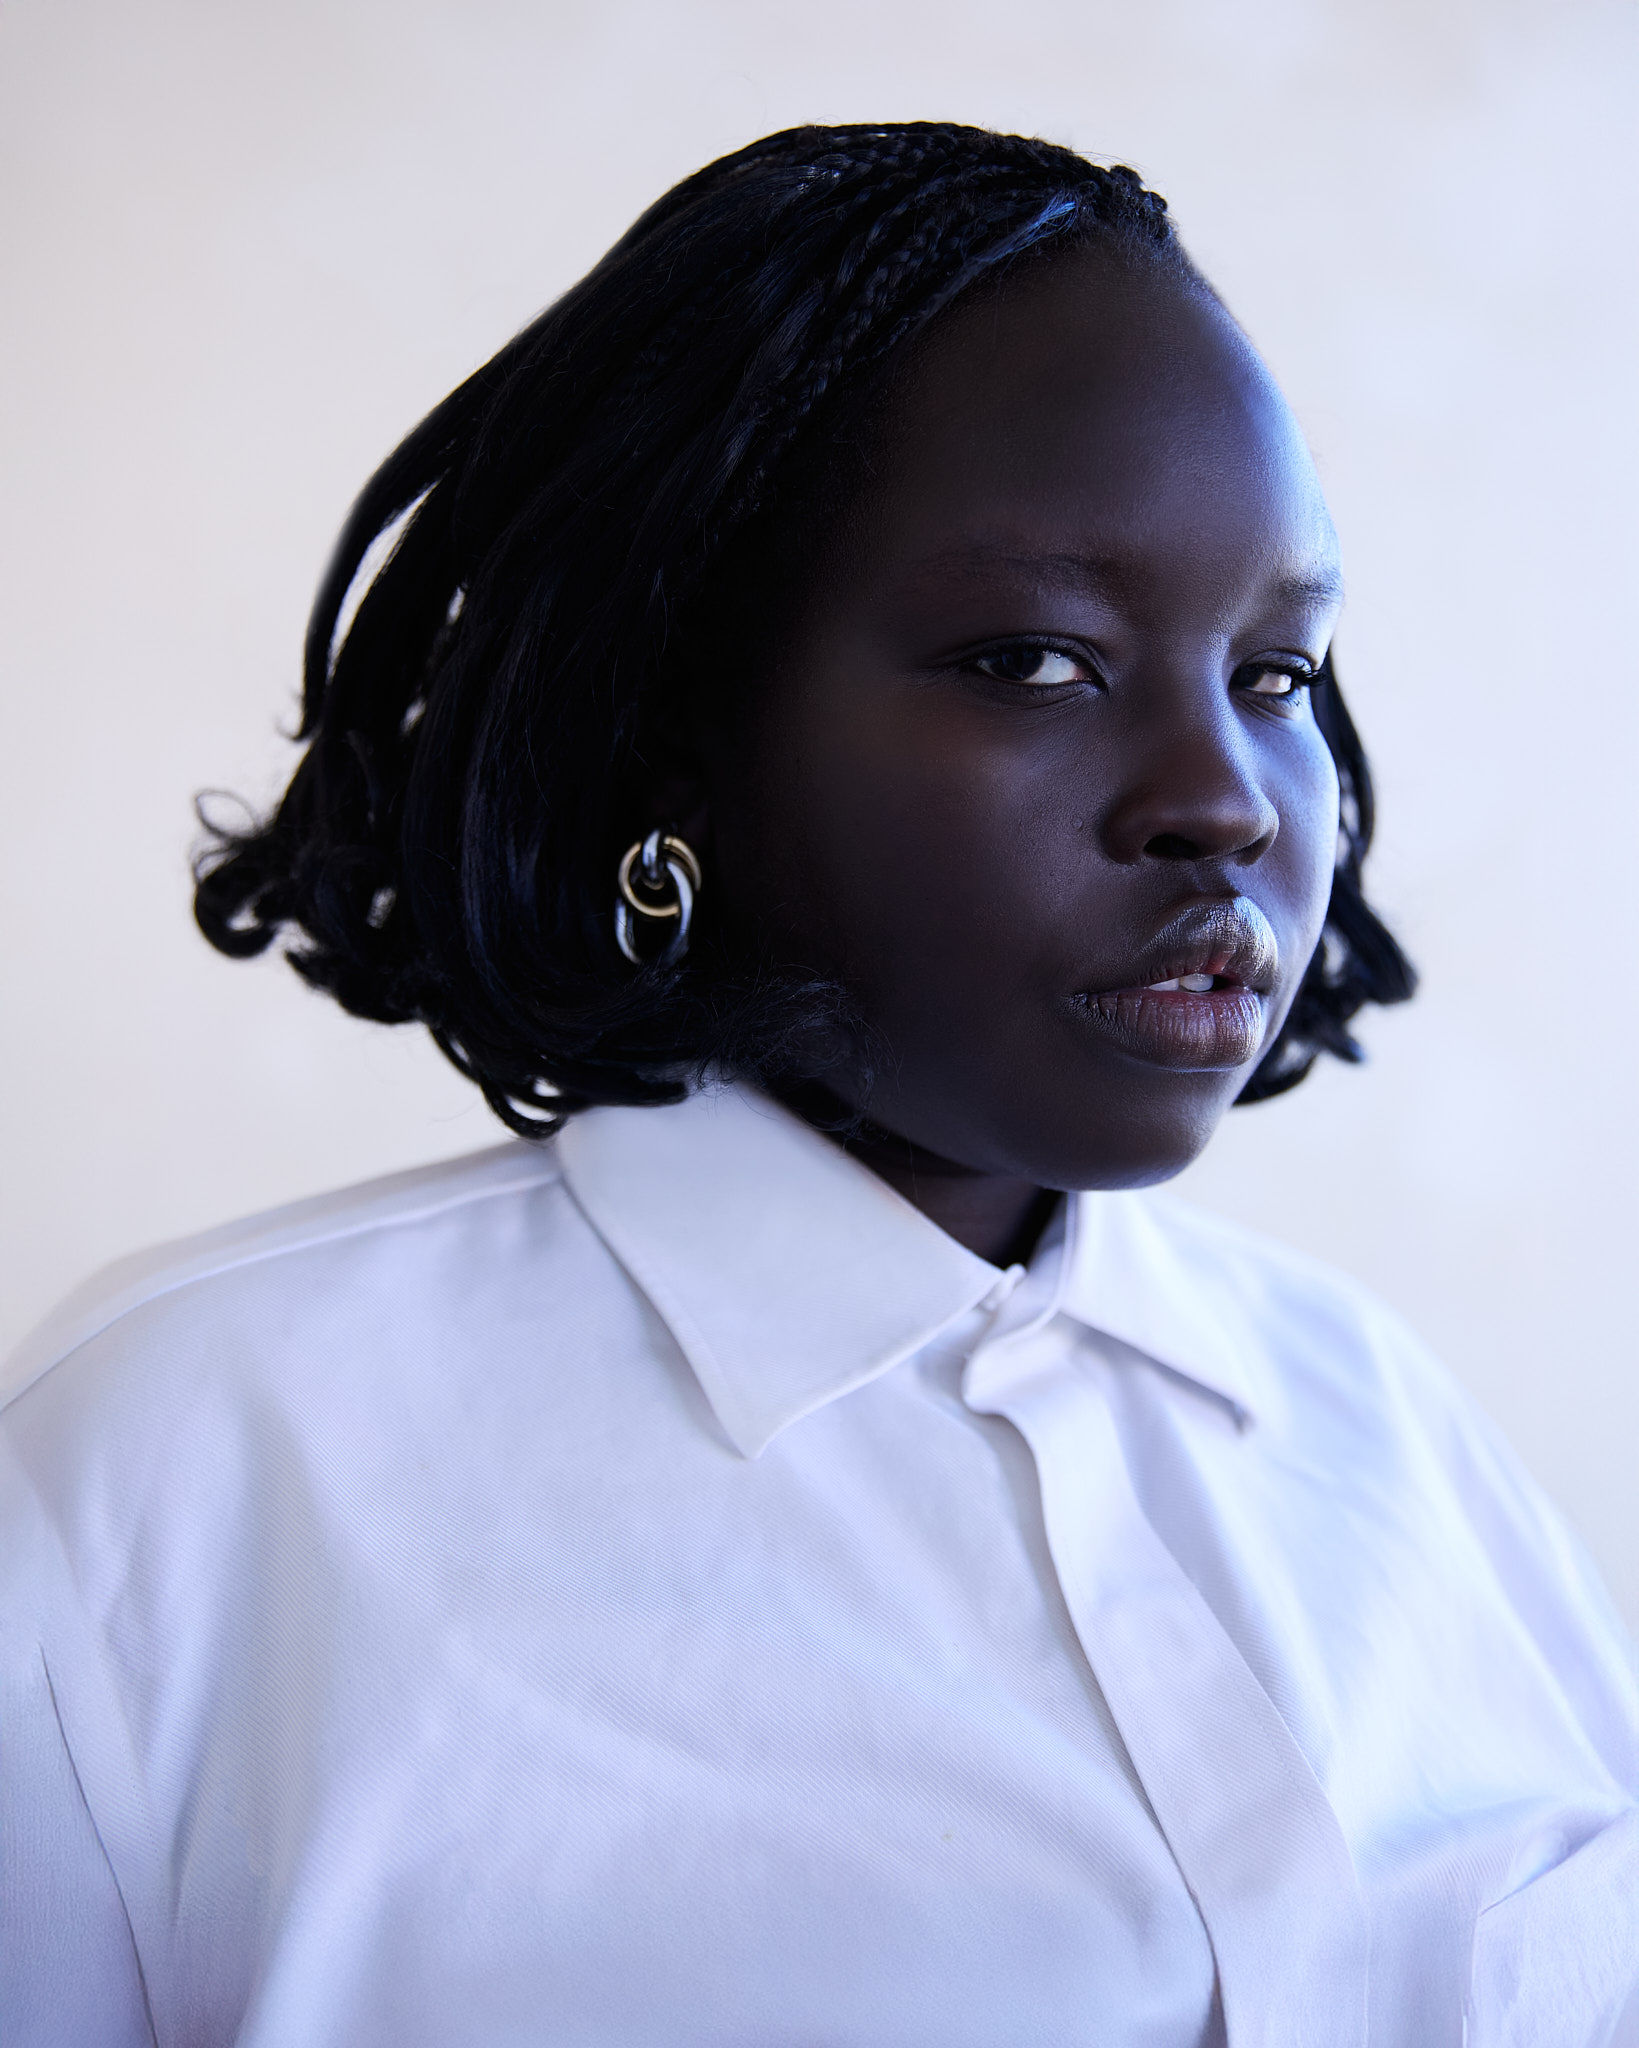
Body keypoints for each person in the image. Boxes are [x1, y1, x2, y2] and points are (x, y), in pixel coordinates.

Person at [1, 123, 1634, 2048]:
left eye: (1277, 675)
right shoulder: (171, 1484)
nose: (1222, 798)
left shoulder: (1388, 1432)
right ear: (676, 743)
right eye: (1035, 658)